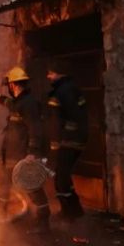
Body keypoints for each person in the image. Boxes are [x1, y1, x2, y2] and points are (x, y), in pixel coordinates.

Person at [0, 66, 49, 232]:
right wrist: (4, 101)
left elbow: (35, 129)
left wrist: (32, 152)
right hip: (11, 155)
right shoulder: (20, 102)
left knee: (32, 187)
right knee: (3, 185)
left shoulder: (29, 104)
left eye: (9, 86)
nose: (9, 89)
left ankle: (43, 222)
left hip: (22, 155)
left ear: (13, 85)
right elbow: (14, 106)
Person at [46, 63, 87, 221]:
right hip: (75, 140)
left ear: (59, 73)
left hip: (67, 141)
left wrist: (56, 143)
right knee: (63, 177)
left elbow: (57, 120)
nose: (48, 76)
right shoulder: (72, 88)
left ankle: (70, 213)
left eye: (50, 73)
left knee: (61, 178)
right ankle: (75, 211)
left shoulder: (63, 91)